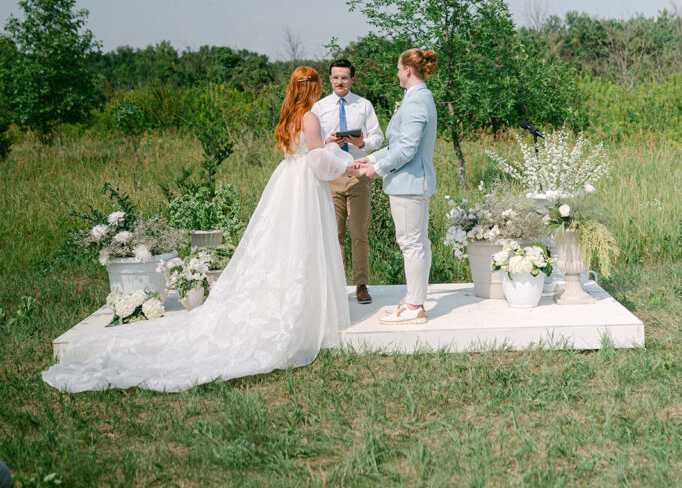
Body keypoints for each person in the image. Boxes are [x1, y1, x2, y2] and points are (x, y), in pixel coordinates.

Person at [43, 67, 354, 393]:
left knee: (282, 247)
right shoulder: (310, 116)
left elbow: (302, 152)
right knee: (303, 245)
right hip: (304, 187)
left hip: (286, 182)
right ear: (315, 87)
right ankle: (304, 314)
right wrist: (347, 164)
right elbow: (318, 161)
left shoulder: (288, 116)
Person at [349, 48, 438, 325]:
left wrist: (376, 169)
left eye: (399, 68)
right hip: (410, 182)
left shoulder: (416, 101)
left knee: (411, 244)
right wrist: (372, 157)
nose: (397, 73)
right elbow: (398, 144)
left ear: (408, 70)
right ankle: (415, 299)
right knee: (418, 243)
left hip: (408, 184)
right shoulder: (417, 97)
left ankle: (414, 306)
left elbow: (408, 148)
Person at [312, 59, 383, 304]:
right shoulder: (319, 108)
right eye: (335, 77)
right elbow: (313, 143)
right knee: (334, 234)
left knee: (359, 232)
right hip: (331, 175)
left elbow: (378, 137)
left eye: (344, 77)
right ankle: (337, 288)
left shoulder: (363, 105)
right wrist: (328, 142)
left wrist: (360, 143)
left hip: (358, 174)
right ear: (329, 79)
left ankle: (361, 284)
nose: (339, 82)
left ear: (352, 79)